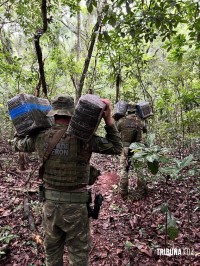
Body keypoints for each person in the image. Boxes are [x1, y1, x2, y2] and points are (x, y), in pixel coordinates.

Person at [14, 95, 122, 266]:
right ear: (73, 113)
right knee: (78, 255)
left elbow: (18, 143)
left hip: (50, 206)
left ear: (53, 113)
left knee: (52, 252)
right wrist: (108, 118)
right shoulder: (85, 137)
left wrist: (26, 127)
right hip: (77, 209)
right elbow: (117, 147)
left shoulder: (41, 137)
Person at [115, 103, 148, 200]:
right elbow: (145, 131)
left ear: (127, 110)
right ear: (136, 110)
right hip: (138, 148)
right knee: (139, 170)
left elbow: (115, 131)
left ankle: (123, 192)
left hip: (125, 148)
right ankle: (141, 191)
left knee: (124, 170)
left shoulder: (121, 121)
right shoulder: (140, 121)